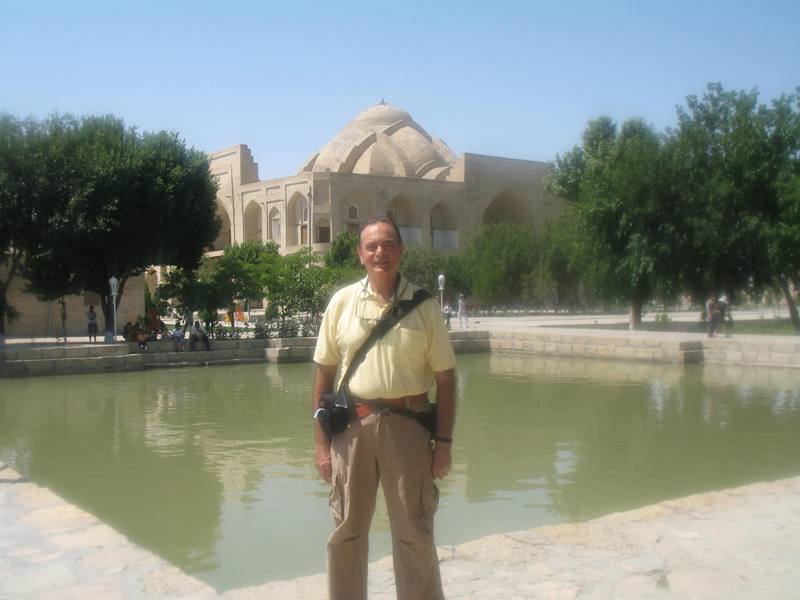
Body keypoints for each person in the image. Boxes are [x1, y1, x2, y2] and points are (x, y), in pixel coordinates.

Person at [313, 217, 456, 600]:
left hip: (408, 428)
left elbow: (446, 379)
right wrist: (321, 446)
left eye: (389, 244)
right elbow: (323, 374)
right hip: (352, 429)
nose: (381, 252)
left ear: (401, 250)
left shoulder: (425, 306)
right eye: (372, 246)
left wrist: (443, 443)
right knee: (347, 531)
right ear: (360, 254)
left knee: (414, 531)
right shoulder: (342, 303)